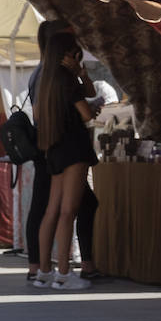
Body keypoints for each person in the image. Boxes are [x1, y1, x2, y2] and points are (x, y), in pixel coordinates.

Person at [25, 19, 100, 286]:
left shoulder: (43, 78)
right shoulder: (66, 80)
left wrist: (81, 73)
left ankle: (44, 271)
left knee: (52, 210)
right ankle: (65, 274)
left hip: (52, 147)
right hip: (73, 147)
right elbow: (88, 113)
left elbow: (36, 114)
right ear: (68, 52)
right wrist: (78, 75)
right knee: (69, 211)